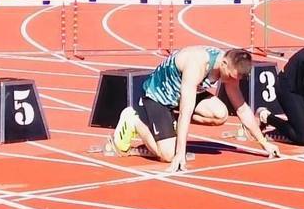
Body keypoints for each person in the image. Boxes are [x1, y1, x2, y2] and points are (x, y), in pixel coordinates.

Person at [112, 46, 279, 171]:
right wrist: (180, 154)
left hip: (179, 98)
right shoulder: (197, 64)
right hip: (158, 98)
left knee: (220, 114)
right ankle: (133, 119)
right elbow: (186, 111)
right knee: (168, 156)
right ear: (224, 63)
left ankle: (170, 127)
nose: (231, 80)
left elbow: (242, 109)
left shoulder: (229, 69)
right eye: (230, 76)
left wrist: (264, 144)